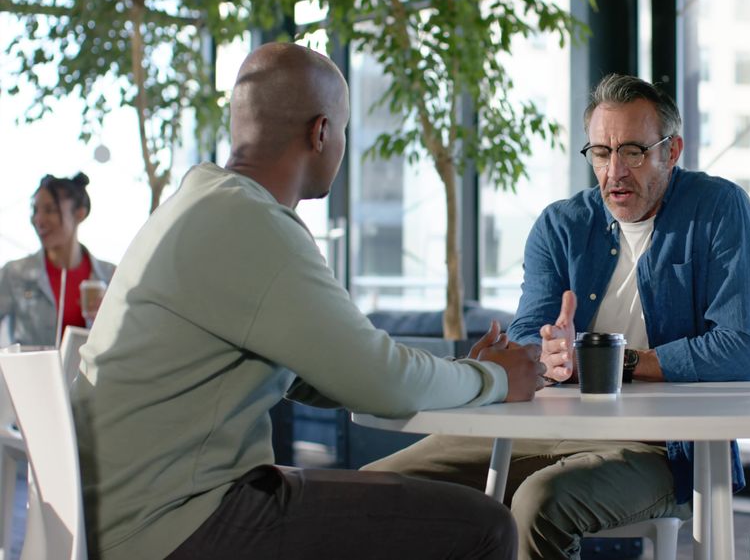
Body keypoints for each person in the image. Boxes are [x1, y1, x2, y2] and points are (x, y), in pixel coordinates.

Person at [71, 42, 546, 560]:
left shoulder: (198, 203)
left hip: (124, 515)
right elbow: (379, 379)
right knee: (485, 526)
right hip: (172, 525)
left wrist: (458, 374)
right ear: (321, 133)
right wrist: (496, 379)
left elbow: (338, 370)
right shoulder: (253, 227)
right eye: (344, 131)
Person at [364, 73, 750, 559]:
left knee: (540, 503)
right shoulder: (560, 225)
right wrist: (545, 353)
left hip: (663, 449)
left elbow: (744, 348)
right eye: (601, 152)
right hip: (545, 423)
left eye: (634, 152)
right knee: (375, 490)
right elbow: (525, 337)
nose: (614, 171)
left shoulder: (720, 209)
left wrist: (614, 362)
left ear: (672, 150)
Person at [0, 173, 115, 348]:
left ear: (80, 214)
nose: (38, 219)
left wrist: (113, 318)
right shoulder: (14, 274)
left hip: (86, 376)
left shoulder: (110, 276)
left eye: (49, 210)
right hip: (30, 375)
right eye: (35, 210)